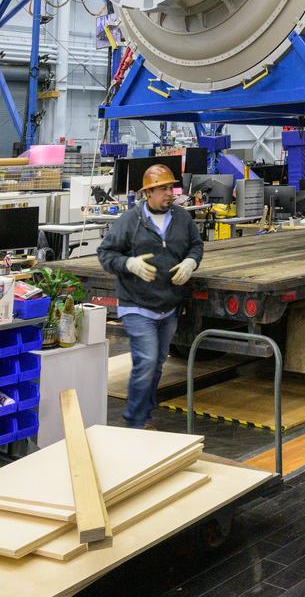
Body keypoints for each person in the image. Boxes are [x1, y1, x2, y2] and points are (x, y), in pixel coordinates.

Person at [98, 164, 204, 429]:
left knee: (156, 365)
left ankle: (144, 414)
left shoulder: (182, 218)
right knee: (146, 362)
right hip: (137, 306)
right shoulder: (130, 221)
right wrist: (129, 264)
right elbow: (106, 254)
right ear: (148, 193)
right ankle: (134, 424)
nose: (170, 194)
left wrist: (191, 262)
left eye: (171, 188)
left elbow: (196, 245)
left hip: (168, 307)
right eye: (164, 189)